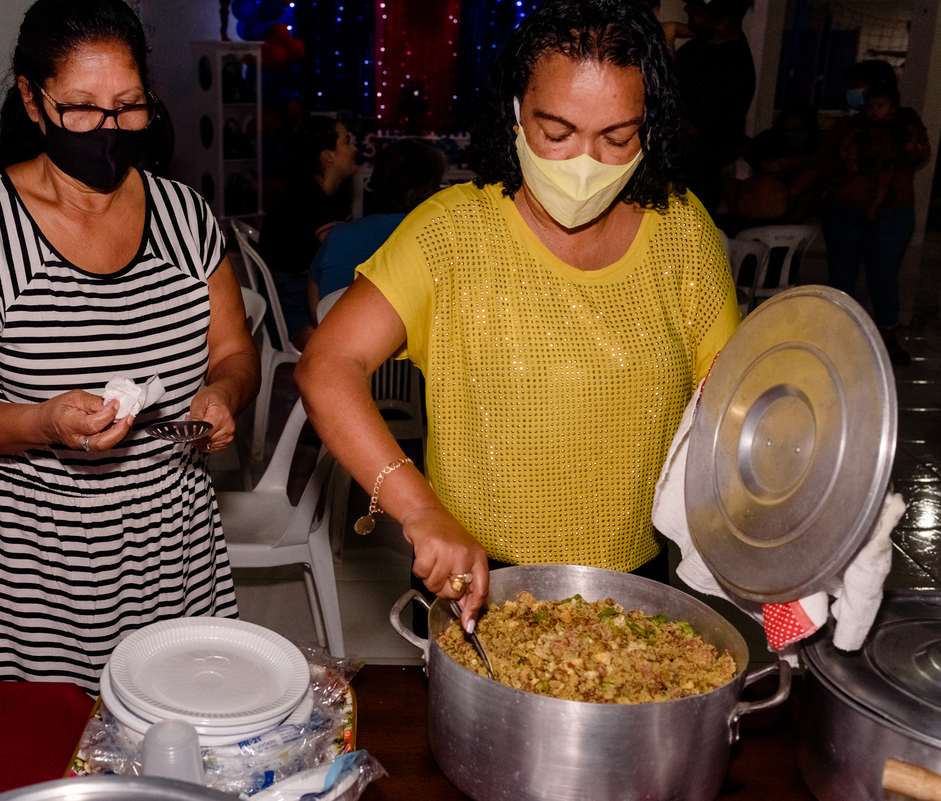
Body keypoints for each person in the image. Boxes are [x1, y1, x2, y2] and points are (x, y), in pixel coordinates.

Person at [295, 0, 740, 629]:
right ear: (514, 113)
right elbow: (327, 365)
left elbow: (726, 399)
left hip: (635, 583)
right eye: (557, 133)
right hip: (477, 581)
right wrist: (419, 508)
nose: (585, 162)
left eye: (617, 138)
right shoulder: (452, 233)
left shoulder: (682, 230)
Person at [0, 0, 259, 691]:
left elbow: (234, 353)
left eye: (129, 106)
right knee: (45, 744)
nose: (109, 128)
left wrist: (223, 393)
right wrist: (45, 422)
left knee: (174, 728)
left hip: (171, 546)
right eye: (81, 108)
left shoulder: (186, 217)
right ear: (32, 100)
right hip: (34, 566)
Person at [821, 61, 930, 366]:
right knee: (840, 277)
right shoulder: (851, 123)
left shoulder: (904, 122)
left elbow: (917, 152)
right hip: (842, 209)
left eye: (857, 86)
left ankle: (886, 337)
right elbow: (827, 157)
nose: (852, 92)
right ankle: (838, 335)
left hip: (889, 214)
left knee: (882, 277)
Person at [308, 137, 448, 316]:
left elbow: (316, 303)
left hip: (338, 330)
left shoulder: (337, 236)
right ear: (429, 190)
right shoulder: (436, 240)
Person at [257, 115, 358, 349]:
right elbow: (340, 256)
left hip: (292, 296)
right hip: (294, 311)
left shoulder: (314, 192)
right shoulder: (310, 199)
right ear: (327, 155)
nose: (354, 148)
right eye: (347, 141)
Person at [674, 0, 755, 216]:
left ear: (722, 22)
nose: (687, 10)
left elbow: (697, 130)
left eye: (698, 11)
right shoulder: (701, 46)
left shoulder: (733, 69)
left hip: (692, 184)